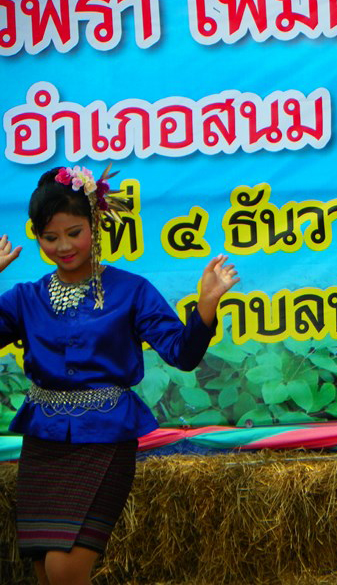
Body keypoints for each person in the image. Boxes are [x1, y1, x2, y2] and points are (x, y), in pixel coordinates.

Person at [0, 165, 239, 585]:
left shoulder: (131, 291)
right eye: (50, 237)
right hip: (44, 443)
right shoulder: (26, 298)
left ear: (94, 225)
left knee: (63, 571)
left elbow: (181, 354)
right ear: (36, 237)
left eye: (74, 232)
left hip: (105, 438)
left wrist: (206, 305)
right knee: (44, 572)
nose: (63, 246)